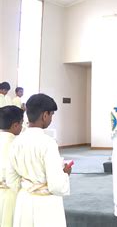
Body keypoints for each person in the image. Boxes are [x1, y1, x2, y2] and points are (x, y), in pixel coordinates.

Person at [6, 93, 72, 227]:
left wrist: (28, 186)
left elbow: (11, 180)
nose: (51, 118)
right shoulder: (48, 143)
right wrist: (65, 173)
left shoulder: (16, 142)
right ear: (45, 115)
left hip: (23, 201)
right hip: (45, 204)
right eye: (52, 114)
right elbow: (56, 185)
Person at [0, 106, 24, 227]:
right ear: (15, 125)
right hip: (11, 193)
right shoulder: (17, 145)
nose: (22, 127)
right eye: (21, 123)